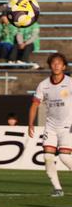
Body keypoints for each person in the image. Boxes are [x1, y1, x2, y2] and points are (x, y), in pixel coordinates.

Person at [28, 53, 72, 197]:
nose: (56, 65)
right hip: (51, 127)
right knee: (47, 156)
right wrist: (30, 124)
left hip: (68, 126)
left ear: (64, 67)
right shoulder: (44, 85)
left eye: (59, 63)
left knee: (64, 157)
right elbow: (35, 104)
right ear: (50, 65)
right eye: (54, 63)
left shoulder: (70, 83)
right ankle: (57, 189)